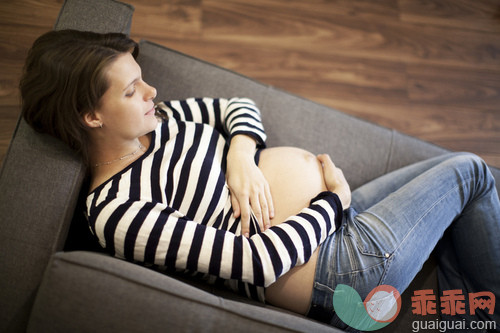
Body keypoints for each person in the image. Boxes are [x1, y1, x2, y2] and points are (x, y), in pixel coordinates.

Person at [20, 30, 499, 331]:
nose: (152, 91)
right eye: (131, 90)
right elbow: (258, 261)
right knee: (472, 173)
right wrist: (332, 201)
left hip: (336, 229)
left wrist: (242, 156)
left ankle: (470, 314)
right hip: (336, 272)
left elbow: (236, 107)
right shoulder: (118, 213)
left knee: (463, 183)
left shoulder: (156, 119)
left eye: (141, 78)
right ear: (90, 116)